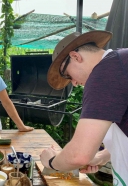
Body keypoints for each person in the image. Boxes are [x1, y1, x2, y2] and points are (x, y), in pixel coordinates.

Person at [40, 30, 128, 185]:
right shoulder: (120, 61)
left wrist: (51, 162)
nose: (73, 83)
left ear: (75, 56)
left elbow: (79, 155)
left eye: (68, 75)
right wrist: (101, 156)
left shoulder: (104, 72)